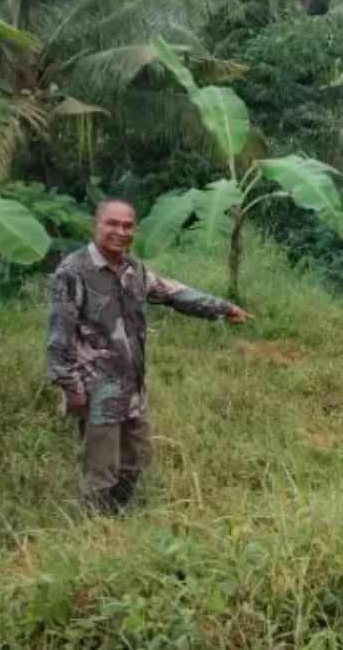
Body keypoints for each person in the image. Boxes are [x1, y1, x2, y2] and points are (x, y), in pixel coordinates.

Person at [45, 198, 251, 513]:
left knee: (136, 460)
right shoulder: (73, 272)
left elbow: (173, 293)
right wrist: (70, 387)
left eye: (128, 225)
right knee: (101, 471)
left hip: (132, 387)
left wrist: (222, 307)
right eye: (112, 223)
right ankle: (96, 533)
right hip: (95, 390)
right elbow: (59, 335)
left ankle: (119, 518)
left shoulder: (134, 269)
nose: (121, 231)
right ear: (95, 226)